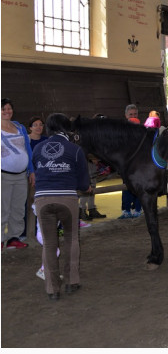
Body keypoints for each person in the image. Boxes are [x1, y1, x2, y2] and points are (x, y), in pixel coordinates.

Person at [32, 113, 91, 300]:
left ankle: (52, 289)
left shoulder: (38, 148)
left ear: (49, 129)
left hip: (42, 199)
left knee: (49, 244)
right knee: (71, 239)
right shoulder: (75, 150)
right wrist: (86, 187)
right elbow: (83, 184)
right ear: (68, 129)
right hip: (67, 198)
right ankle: (71, 281)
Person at [1, 99, 35, 250]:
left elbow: (27, 149)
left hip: (21, 175)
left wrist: (31, 170)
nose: (7, 111)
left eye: (9, 108)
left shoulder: (19, 127)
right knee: (3, 208)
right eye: (3, 108)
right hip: (3, 176)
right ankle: (1, 239)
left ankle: (14, 237)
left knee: (18, 208)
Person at [119, 104, 142, 219]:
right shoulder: (121, 132)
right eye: (131, 114)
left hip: (140, 165)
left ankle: (138, 209)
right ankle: (126, 211)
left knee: (139, 187)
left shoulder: (142, 130)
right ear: (126, 116)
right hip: (126, 165)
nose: (133, 116)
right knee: (126, 187)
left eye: (135, 114)